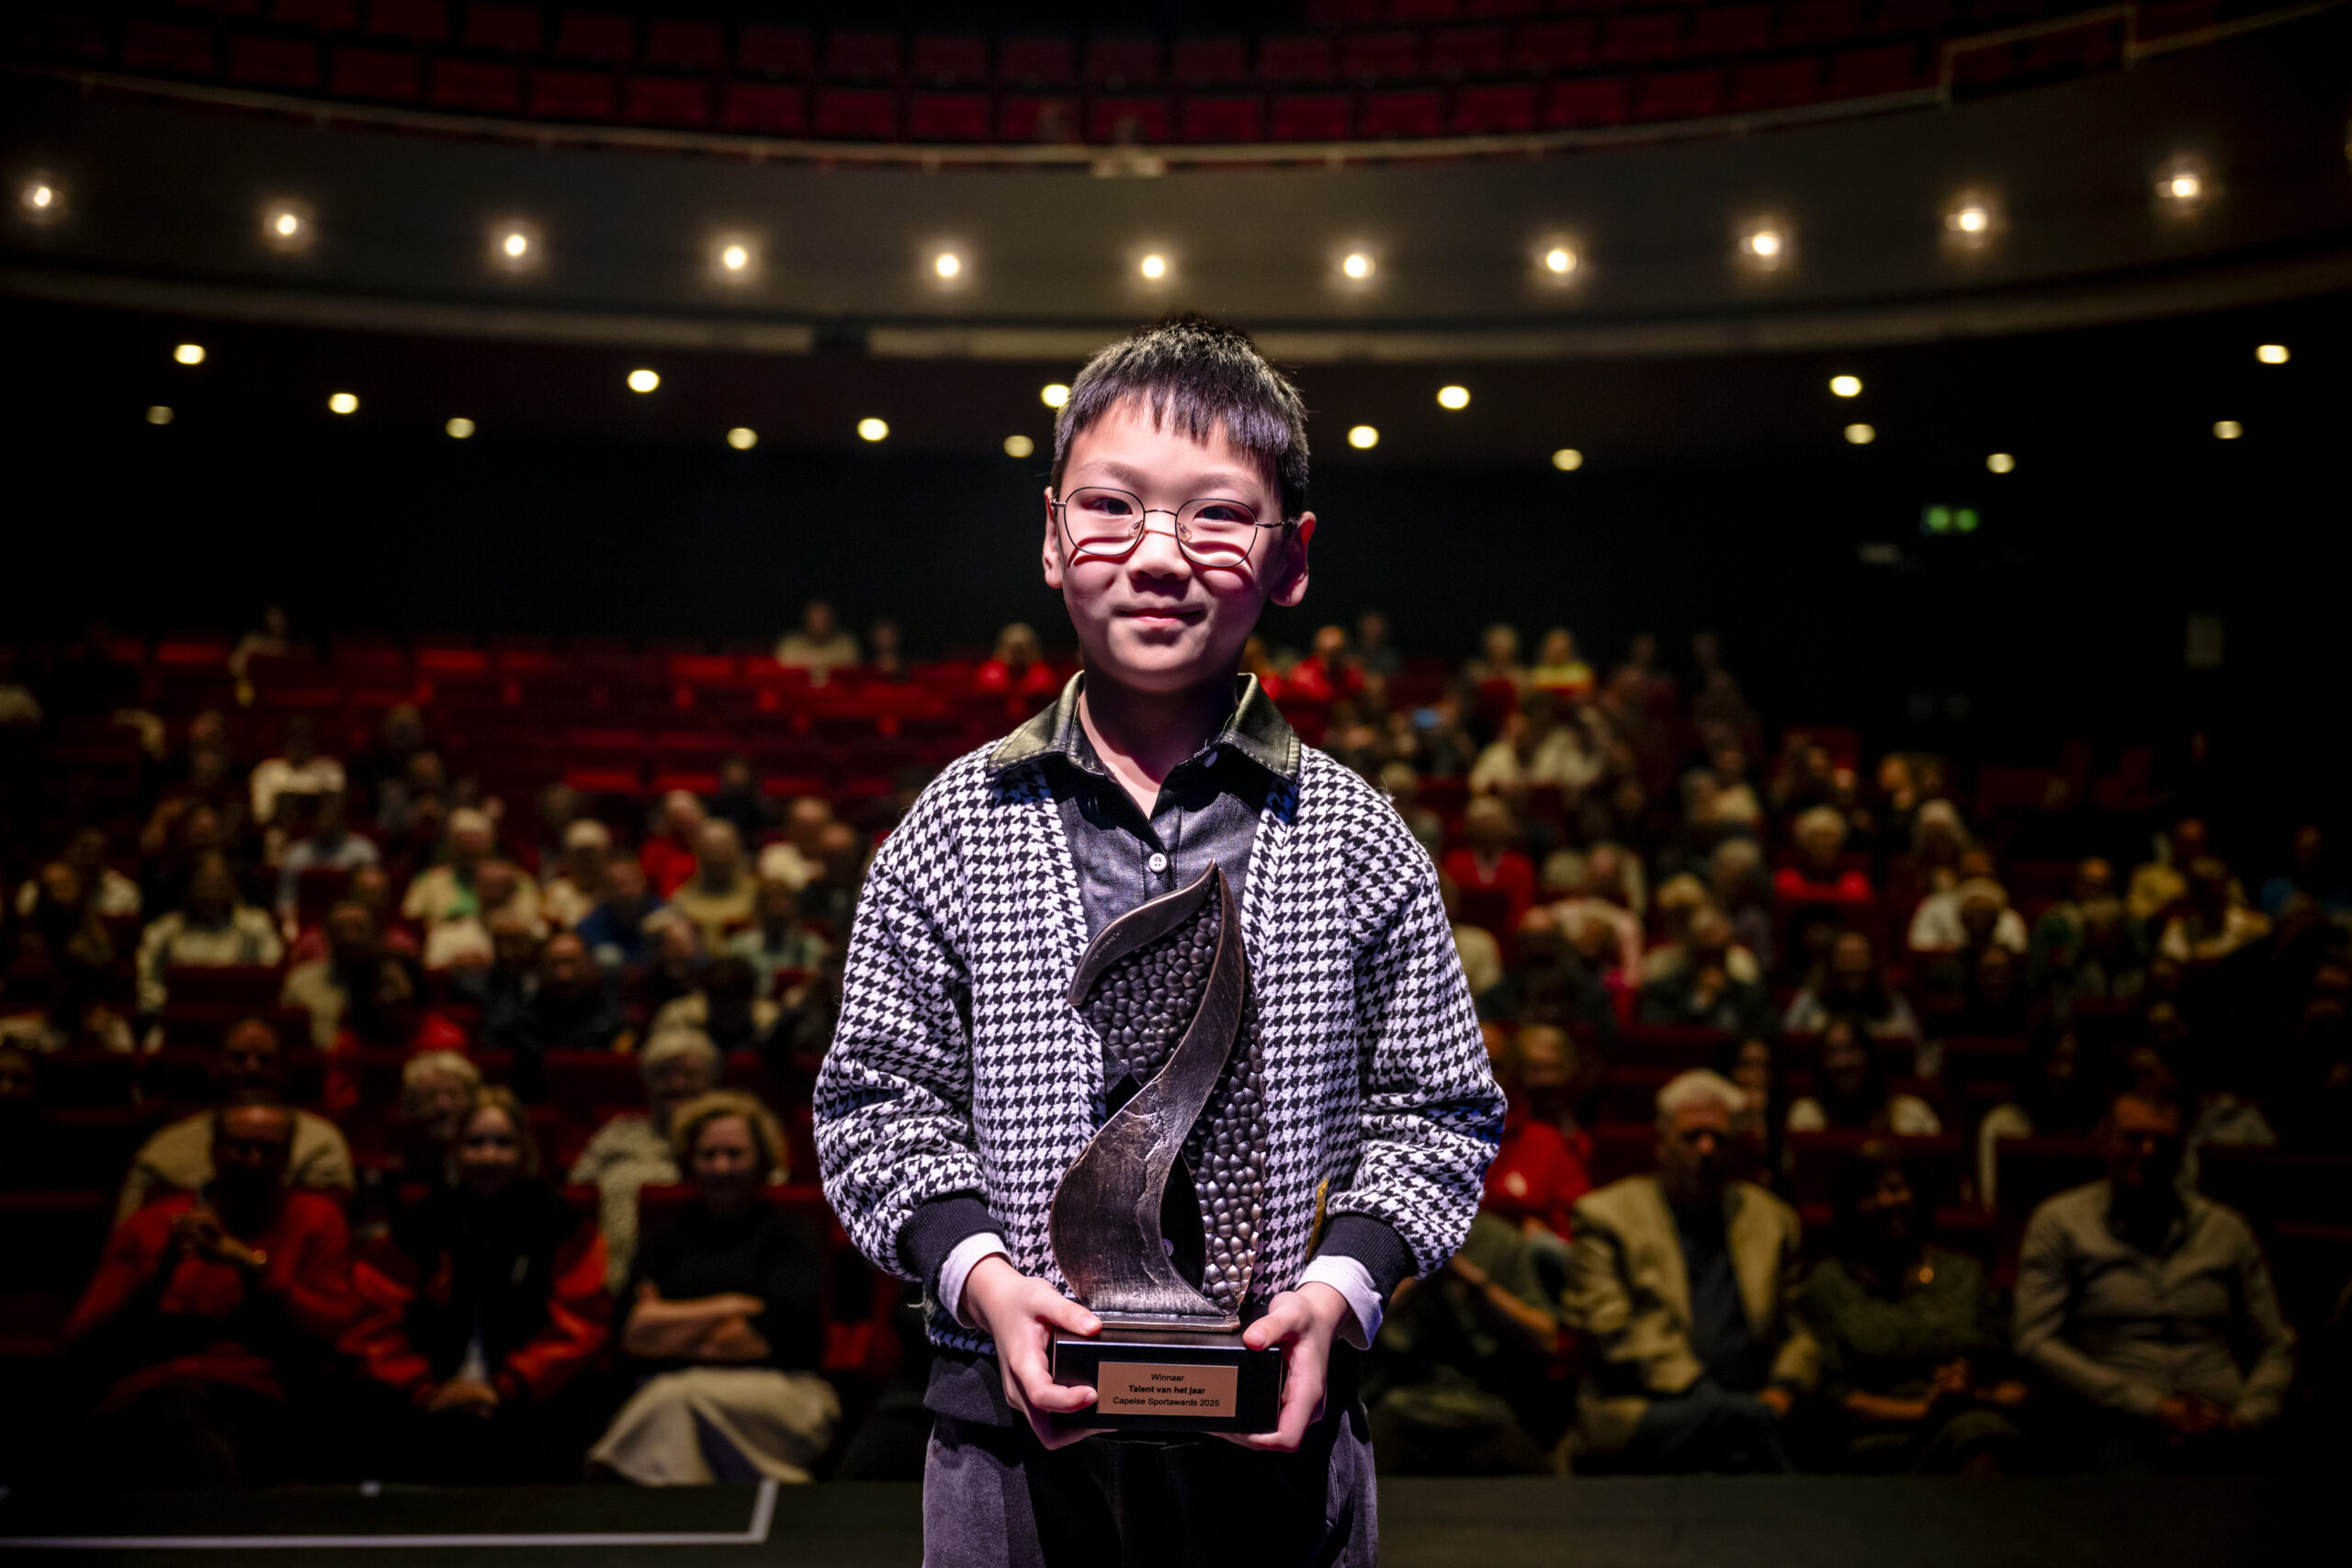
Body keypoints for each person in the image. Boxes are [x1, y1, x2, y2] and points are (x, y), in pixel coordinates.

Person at [814, 316, 1501, 1564]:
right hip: (1006, 1433)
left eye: (1218, 516)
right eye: (1113, 506)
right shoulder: (951, 822)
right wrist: (977, 1273)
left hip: (1276, 1436)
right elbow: (874, 1103)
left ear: (1293, 559)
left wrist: (1339, 1291)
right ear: (1049, 533)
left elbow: (1438, 1111)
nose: (1160, 556)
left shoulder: (1356, 831)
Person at [65, 1095, 356, 1487]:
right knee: (166, 1413)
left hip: (253, 1398)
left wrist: (250, 1265)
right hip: (141, 1395)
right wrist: (157, 1273)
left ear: (288, 1156)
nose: (253, 1161)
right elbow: (79, 1336)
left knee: (186, 1424)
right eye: (241, 1147)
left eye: (267, 1150)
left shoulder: (317, 1218)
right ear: (214, 1151)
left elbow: (330, 1329)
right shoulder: (153, 1222)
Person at [2014, 1089, 2295, 1471]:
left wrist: (2248, 1416)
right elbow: (2034, 1340)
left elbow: (2275, 1343)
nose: (2148, 1151)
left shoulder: (2225, 1229)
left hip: (2227, 1424)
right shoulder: (2061, 1222)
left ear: (2183, 1150)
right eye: (2133, 1138)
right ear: (2105, 1139)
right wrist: (2152, 1406)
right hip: (2116, 1421)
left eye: (2164, 1142)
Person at [344, 1087, 610, 1483]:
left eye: (502, 1143)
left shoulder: (562, 1224)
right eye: (476, 1143)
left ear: (524, 1151)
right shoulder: (420, 1223)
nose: (488, 1156)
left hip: (531, 1402)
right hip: (428, 1398)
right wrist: (421, 1386)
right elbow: (372, 1320)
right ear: (456, 1151)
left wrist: (504, 1388)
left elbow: (580, 1322)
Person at [1564, 1071, 1815, 1472]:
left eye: (1719, 1138)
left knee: (1754, 1425)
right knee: (1738, 1424)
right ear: (1660, 1145)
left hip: (1757, 1398)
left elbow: (1802, 1328)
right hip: (1644, 1406)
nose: (1706, 1148)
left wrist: (1783, 1387)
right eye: (1691, 1136)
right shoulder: (1606, 1216)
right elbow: (1610, 1327)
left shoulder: (1772, 1219)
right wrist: (1707, 1394)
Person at [588, 1091, 834, 1483]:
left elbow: (776, 1335)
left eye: (734, 1153)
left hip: (781, 1395)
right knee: (675, 1403)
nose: (721, 1167)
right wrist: (728, 1307)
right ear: (690, 1160)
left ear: (761, 1160)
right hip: (672, 1396)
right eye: (709, 1154)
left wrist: (666, 1326)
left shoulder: (792, 1234)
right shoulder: (664, 1239)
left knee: (674, 1397)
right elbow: (629, 1333)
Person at [1796, 1144, 2027, 1473]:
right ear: (1850, 1207)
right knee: (1976, 1437)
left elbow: (2015, 1383)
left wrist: (1972, 1394)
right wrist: (1928, 1409)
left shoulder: (1964, 1274)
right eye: (1870, 1193)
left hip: (1973, 1420)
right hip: (1878, 1437)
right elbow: (1834, 1399)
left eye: (1895, 1188)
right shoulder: (1830, 1282)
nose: (1886, 1202)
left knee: (1985, 1437)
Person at [114, 1017, 354, 1225]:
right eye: (238, 1058)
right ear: (214, 1065)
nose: (251, 1068)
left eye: (264, 1059)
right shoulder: (163, 1151)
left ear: (284, 1067)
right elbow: (130, 1241)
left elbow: (331, 1237)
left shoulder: (322, 1144)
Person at [570, 1029, 722, 1289]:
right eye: (663, 1075)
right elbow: (575, 1197)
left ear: (711, 1081)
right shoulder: (618, 1135)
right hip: (620, 1278)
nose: (677, 1084)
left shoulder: (730, 1142)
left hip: (710, 1277)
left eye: (689, 1075)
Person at [133, 852, 285, 1018]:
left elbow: (271, 979)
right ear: (189, 886)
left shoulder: (258, 926)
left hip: (241, 1020)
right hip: (176, 1020)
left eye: (219, 885)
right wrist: (178, 1008)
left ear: (233, 886)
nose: (211, 894)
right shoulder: (162, 930)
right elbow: (145, 983)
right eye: (204, 885)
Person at [482, 931, 632, 1097]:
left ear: (590, 965)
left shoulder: (615, 1022)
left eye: (571, 962)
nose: (564, 975)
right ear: (541, 969)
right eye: (555, 963)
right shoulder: (520, 1026)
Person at [1785, 1017, 1942, 1136]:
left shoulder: (1913, 1114)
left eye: (1851, 1049)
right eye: (1832, 1052)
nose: (1842, 1063)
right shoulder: (1806, 1117)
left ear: (1869, 1055)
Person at [1781, 931, 1924, 1042]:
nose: (1852, 964)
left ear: (1872, 963)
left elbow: (1913, 1045)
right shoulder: (1810, 999)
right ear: (1831, 963)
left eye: (1859, 955)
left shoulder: (1891, 1002)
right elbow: (1789, 1038)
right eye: (1845, 955)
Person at [273, 792, 379, 934]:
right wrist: (289, 924)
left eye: (331, 817)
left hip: (353, 920)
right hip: (308, 925)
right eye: (322, 817)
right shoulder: (296, 855)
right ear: (313, 820)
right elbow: (287, 897)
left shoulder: (363, 852)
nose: (326, 822)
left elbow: (372, 897)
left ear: (342, 820)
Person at [1443, 795, 1539, 937]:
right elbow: (1449, 907)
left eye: (1493, 824)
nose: (1488, 831)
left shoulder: (1520, 866)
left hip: (1510, 936)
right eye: (1482, 825)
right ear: (1471, 828)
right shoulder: (1455, 862)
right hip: (1463, 936)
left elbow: (1522, 910)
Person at [399, 807, 499, 931]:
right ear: (451, 845)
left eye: (476, 840)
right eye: (463, 840)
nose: (470, 848)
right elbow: (411, 922)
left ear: (489, 844)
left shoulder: (516, 880)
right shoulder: (428, 880)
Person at [728, 877, 830, 996]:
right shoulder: (739, 946)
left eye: (782, 904)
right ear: (759, 909)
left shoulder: (811, 945)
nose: (775, 908)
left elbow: (814, 987)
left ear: (794, 910)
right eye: (769, 902)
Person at [669, 819, 758, 950]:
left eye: (723, 847)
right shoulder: (681, 901)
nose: (717, 855)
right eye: (711, 848)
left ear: (737, 850)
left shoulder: (757, 896)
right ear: (698, 852)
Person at [576, 858, 677, 972]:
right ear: (604, 890)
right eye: (616, 886)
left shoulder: (665, 916)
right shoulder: (591, 925)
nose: (625, 891)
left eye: (630, 883)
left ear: (643, 882)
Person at [248, 716, 345, 828]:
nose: (300, 744)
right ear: (284, 741)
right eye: (294, 737)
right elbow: (261, 816)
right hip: (280, 834)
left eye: (305, 738)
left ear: (314, 741)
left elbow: (336, 810)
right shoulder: (266, 771)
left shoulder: (331, 769)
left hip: (321, 838)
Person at [537, 818, 610, 931]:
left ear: (606, 854)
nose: (587, 860)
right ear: (568, 857)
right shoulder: (556, 892)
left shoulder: (616, 890)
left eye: (592, 853)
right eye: (581, 854)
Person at [755, 796, 837, 893]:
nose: (808, 836)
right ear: (789, 828)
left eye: (814, 830)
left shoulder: (837, 858)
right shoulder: (773, 856)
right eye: (803, 829)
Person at [774, 599, 862, 683]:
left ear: (833, 618)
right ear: (805, 618)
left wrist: (810, 661)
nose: (819, 621)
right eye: (814, 616)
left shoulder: (846, 642)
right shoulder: (790, 642)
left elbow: (850, 662)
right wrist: (826, 663)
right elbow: (784, 661)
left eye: (823, 616)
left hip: (836, 695)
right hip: (797, 694)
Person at [639, 790, 706, 898]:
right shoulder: (654, 850)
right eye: (676, 816)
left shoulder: (713, 845)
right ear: (667, 819)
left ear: (698, 813)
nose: (683, 820)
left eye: (686, 814)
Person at [974, 622, 1059, 698]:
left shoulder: (1043, 676)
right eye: (1013, 650)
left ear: (1032, 650)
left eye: (1022, 650)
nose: (1018, 656)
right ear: (1002, 649)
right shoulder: (989, 674)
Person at [1527, 626, 1595, 700]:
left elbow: (1587, 696)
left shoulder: (1581, 672)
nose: (1557, 653)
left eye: (1561, 650)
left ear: (1569, 650)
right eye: (1554, 649)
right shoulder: (1536, 674)